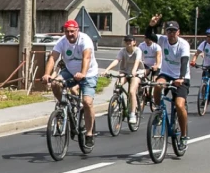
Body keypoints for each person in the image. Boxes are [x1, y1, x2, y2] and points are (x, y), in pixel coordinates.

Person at [44, 20, 99, 149]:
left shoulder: (85, 40)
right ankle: (63, 105)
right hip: (70, 71)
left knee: (87, 102)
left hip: (88, 73)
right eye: (67, 31)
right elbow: (53, 57)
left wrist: (83, 73)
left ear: (77, 30)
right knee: (55, 83)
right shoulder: (62, 41)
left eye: (72, 31)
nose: (70, 34)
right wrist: (47, 74)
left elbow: (86, 57)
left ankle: (89, 133)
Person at [153, 20, 191, 146]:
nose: (171, 34)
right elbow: (149, 35)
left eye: (174, 31)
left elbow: (184, 61)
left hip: (181, 77)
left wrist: (181, 78)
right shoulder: (163, 40)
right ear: (166, 32)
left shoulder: (183, 44)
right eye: (169, 31)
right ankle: (158, 110)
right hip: (166, 74)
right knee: (158, 85)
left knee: (179, 105)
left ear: (178, 32)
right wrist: (151, 25)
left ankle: (184, 135)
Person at [102, 34, 145, 126]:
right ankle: (118, 101)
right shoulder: (122, 51)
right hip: (125, 71)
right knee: (118, 85)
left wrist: (134, 71)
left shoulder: (138, 50)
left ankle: (132, 114)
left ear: (134, 42)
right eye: (126, 41)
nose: (128, 43)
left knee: (132, 91)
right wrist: (107, 70)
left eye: (130, 41)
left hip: (137, 72)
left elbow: (137, 61)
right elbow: (117, 60)